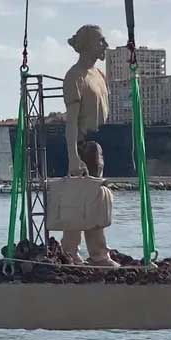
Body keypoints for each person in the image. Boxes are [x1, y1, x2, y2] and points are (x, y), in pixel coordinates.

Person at [60, 25, 118, 267]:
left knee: (89, 201)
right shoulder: (76, 76)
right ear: (87, 44)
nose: (105, 45)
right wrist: (74, 156)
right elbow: (71, 121)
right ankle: (96, 254)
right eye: (100, 41)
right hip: (85, 146)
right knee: (86, 202)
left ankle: (71, 251)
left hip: (100, 144)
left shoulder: (99, 74)